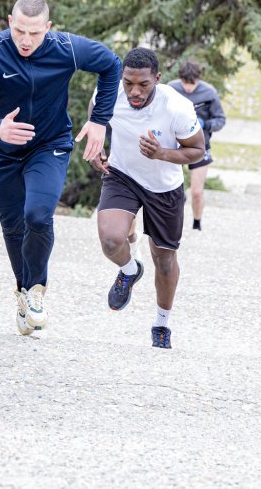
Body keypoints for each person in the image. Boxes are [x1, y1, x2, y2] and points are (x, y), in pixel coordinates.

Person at [0, 0, 121, 336]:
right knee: (13, 226)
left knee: (38, 215)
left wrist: (100, 120)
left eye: (34, 33)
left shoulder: (67, 48)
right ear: (10, 23)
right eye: (19, 31)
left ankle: (38, 292)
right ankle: (24, 293)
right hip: (3, 151)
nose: (26, 41)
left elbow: (112, 65)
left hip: (50, 144)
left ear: (48, 28)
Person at [90, 48, 204, 349]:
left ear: (157, 78)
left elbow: (197, 150)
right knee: (112, 240)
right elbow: (95, 122)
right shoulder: (108, 92)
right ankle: (129, 270)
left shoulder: (177, 107)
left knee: (164, 259)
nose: (134, 91)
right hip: (122, 174)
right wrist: (96, 149)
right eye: (128, 83)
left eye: (143, 85)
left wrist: (162, 153)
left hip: (164, 186)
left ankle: (162, 322)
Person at [167, 61, 225, 231]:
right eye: (185, 83)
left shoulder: (209, 92)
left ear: (199, 79)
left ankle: (197, 223)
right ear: (180, 79)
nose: (189, 88)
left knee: (196, 192)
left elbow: (220, 120)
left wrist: (205, 125)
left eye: (192, 84)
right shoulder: (170, 89)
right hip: (175, 144)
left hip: (200, 145)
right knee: (172, 189)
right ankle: (174, 223)